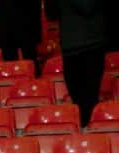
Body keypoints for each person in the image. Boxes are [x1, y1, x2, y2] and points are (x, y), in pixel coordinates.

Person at [44, 0, 108, 128]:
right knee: (78, 103)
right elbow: (51, 14)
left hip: (92, 45)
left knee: (89, 102)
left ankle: (90, 138)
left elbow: (87, 7)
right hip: (70, 48)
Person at [0, 0, 41, 73]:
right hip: (10, 21)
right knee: (11, 63)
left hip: (26, 20)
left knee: (30, 58)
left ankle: (34, 80)